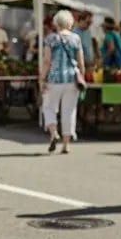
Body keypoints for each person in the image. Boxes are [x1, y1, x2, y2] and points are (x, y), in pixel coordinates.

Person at [40, 10, 85, 154]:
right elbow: (81, 61)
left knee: (48, 107)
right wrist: (82, 75)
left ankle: (54, 133)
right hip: (71, 78)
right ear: (70, 23)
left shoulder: (50, 39)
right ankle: (66, 145)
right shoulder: (76, 39)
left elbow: (47, 61)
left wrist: (42, 78)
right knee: (69, 111)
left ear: (56, 23)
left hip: (54, 78)